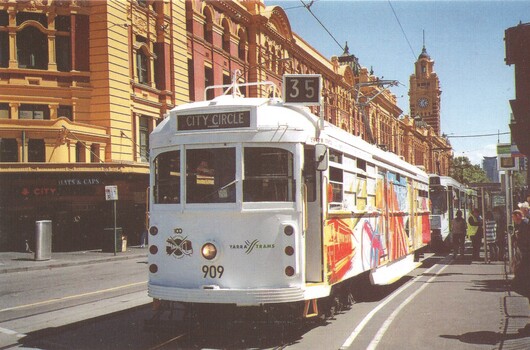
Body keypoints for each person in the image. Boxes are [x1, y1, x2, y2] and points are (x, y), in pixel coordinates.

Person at [511, 209, 530, 300]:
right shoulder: (520, 224)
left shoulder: (525, 223)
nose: (512, 219)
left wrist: (518, 238)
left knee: (522, 269)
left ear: (518, 215)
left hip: (526, 251)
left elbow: (526, 237)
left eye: (513, 216)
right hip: (523, 250)